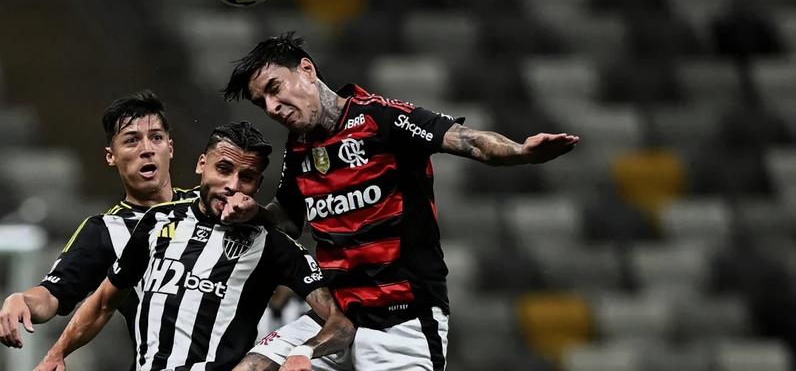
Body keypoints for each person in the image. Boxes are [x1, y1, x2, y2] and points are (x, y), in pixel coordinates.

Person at [222, 32, 580, 370]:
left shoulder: (382, 118)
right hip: (335, 315)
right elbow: (288, 219)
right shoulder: (299, 148)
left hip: (402, 319)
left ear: (306, 69)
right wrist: (253, 212)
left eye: (274, 89)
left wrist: (521, 152)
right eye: (261, 102)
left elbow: (467, 140)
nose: (271, 107)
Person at [34, 121, 355, 371]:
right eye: (224, 169)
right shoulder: (156, 222)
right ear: (202, 164)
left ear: (258, 185)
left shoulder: (273, 246)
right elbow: (104, 301)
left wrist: (304, 350)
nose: (232, 185)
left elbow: (341, 320)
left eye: (246, 177)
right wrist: (58, 352)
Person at [0, 91, 256, 365]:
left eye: (156, 137)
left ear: (170, 147)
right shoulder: (106, 231)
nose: (147, 148)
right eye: (132, 140)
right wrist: (22, 299)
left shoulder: (214, 205)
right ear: (111, 156)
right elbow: (52, 295)